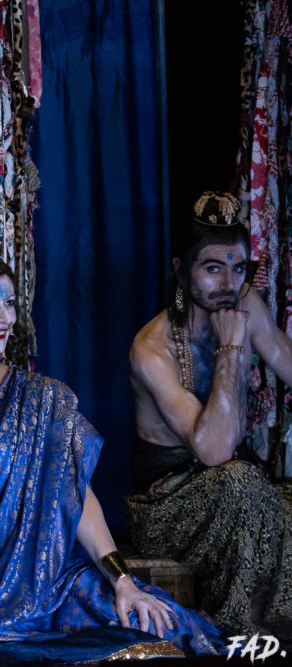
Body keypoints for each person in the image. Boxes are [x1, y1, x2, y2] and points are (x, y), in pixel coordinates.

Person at [0, 238, 222, 663]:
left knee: (160, 621)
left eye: (9, 303)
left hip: (44, 585)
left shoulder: (41, 398)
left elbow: (77, 496)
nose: (5, 318)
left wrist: (122, 580)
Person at [126, 191, 292, 638]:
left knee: (261, 492)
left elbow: (287, 360)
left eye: (238, 269)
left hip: (239, 491)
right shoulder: (153, 347)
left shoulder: (243, 301)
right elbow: (215, 451)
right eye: (213, 268)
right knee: (240, 482)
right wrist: (232, 345)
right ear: (182, 270)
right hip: (166, 502)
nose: (228, 283)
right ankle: (239, 635)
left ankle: (281, 634)